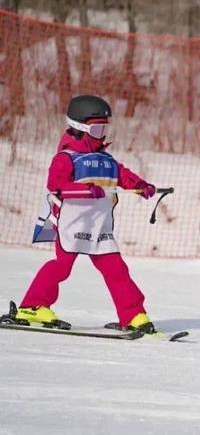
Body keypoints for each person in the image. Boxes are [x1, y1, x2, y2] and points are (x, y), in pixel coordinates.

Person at [12, 95, 157, 334]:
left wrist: (143, 186)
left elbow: (124, 176)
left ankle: (134, 315)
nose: (102, 134)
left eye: (105, 128)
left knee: (117, 271)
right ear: (80, 128)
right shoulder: (66, 158)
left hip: (100, 229)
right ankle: (33, 306)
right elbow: (55, 186)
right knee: (61, 267)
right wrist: (85, 189)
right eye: (97, 128)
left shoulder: (107, 160)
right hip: (72, 225)